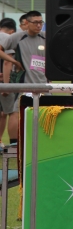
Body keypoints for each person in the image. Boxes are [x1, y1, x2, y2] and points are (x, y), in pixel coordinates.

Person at [0, 11, 47, 121]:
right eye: (35, 22)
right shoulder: (17, 37)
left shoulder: (45, 37)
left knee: (46, 113)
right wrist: (14, 62)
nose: (39, 25)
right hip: (23, 84)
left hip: (43, 83)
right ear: (27, 23)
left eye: (41, 22)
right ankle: (16, 135)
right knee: (16, 113)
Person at [0, 18, 17, 146]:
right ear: (12, 31)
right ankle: (13, 145)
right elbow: (7, 62)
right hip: (4, 80)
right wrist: (6, 84)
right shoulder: (9, 38)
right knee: (10, 112)